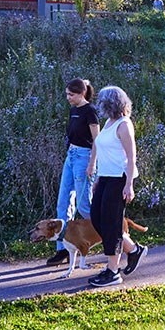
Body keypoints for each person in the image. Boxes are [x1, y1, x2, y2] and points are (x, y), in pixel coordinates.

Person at [87, 85, 148, 287]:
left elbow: (131, 157)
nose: (100, 104)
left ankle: (113, 271)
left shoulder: (124, 124)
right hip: (105, 178)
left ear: (112, 102)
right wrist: (97, 177)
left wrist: (129, 185)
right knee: (97, 218)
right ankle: (133, 249)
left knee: (111, 223)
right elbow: (105, 151)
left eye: (103, 101)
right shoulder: (109, 122)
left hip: (119, 179)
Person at [47, 78, 100, 266]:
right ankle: (63, 249)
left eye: (71, 94)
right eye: (67, 94)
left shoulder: (90, 112)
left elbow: (97, 141)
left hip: (84, 158)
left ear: (81, 93)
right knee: (63, 203)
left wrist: (92, 165)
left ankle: (106, 238)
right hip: (71, 156)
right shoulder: (73, 110)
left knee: (84, 205)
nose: (68, 98)